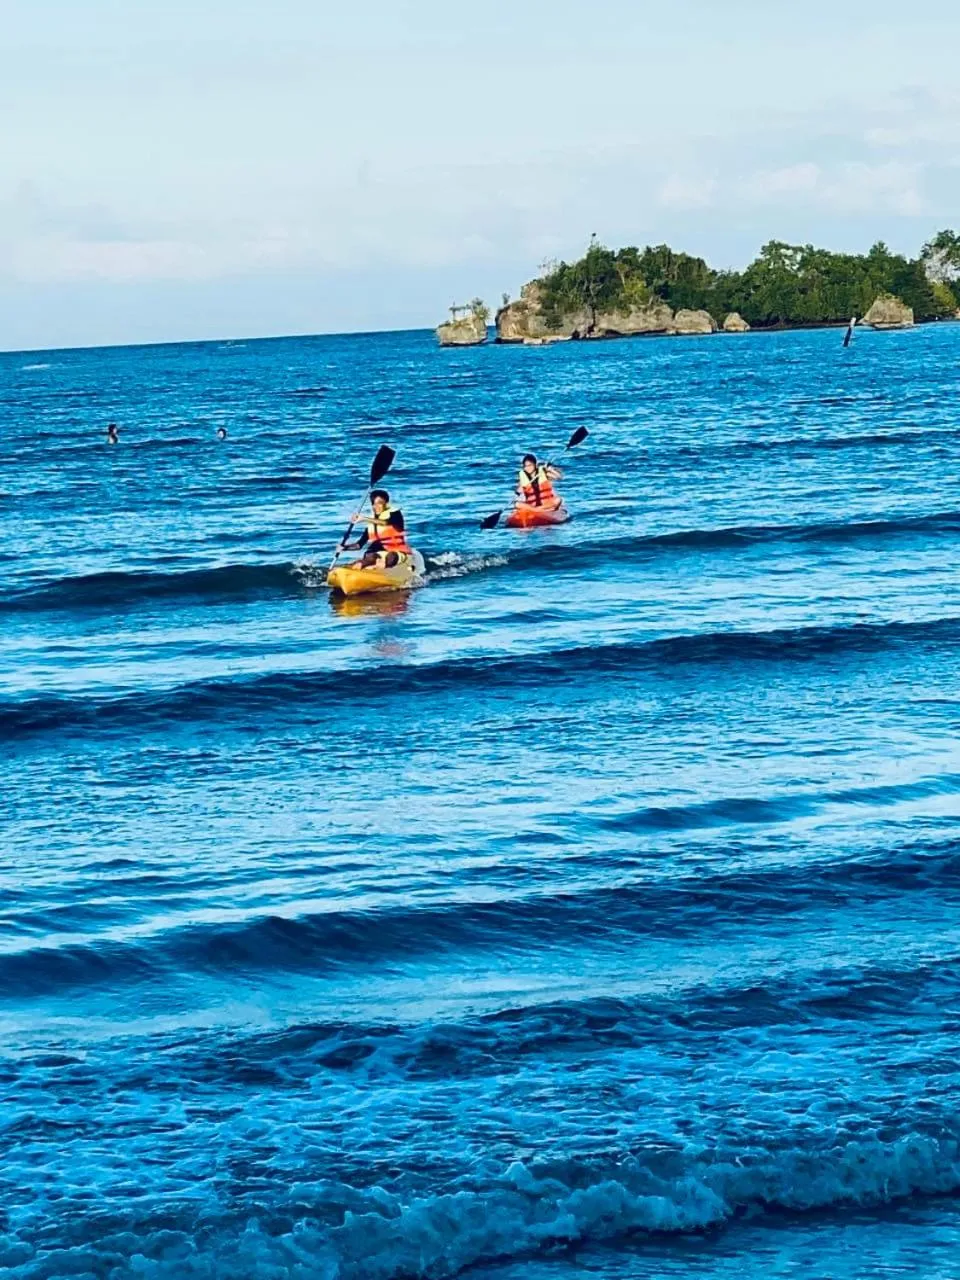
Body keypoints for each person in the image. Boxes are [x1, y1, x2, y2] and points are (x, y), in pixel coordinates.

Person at [344, 489, 411, 568]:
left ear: (386, 504)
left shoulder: (396, 515)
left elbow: (386, 523)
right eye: (374, 504)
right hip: (376, 553)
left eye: (380, 503)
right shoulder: (371, 524)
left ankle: (381, 565)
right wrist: (344, 547)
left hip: (395, 551)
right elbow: (359, 545)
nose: (376, 506)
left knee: (391, 556)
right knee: (371, 556)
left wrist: (364, 519)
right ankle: (358, 566)